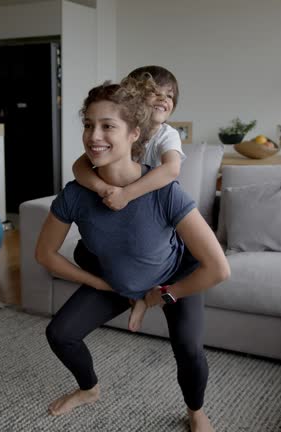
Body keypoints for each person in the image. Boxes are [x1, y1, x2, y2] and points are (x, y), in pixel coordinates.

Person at [35, 77, 230, 432]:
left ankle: (196, 411)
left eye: (108, 126)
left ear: (134, 134)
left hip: (173, 278)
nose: (94, 136)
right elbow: (46, 254)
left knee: (188, 349)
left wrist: (162, 295)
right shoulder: (77, 193)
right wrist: (101, 284)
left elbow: (218, 268)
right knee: (60, 333)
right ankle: (89, 389)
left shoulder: (166, 192)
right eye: (88, 125)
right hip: (118, 280)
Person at [71, 65, 185, 331]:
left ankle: (144, 295)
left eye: (169, 96)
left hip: (155, 215)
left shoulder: (167, 135)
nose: (163, 99)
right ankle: (133, 296)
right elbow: (79, 167)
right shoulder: (117, 132)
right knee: (85, 252)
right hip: (121, 213)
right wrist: (102, 189)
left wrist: (125, 194)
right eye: (155, 93)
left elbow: (171, 169)